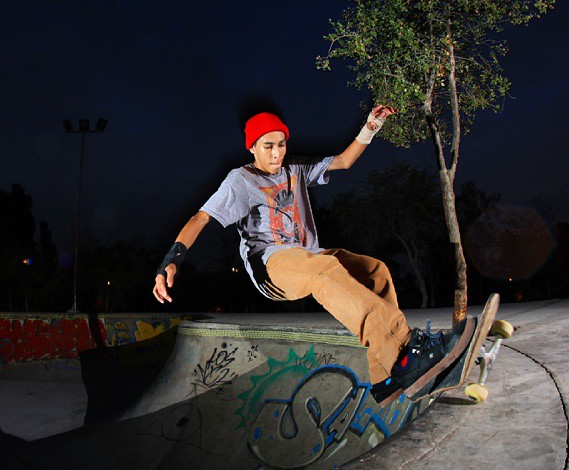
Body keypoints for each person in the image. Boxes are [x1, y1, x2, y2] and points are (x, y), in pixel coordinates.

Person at [153, 106, 476, 406]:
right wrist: (172, 258)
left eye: (281, 144)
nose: (277, 153)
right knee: (325, 269)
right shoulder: (241, 180)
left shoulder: (296, 167)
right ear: (252, 147)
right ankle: (409, 350)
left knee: (374, 271)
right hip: (271, 265)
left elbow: (344, 161)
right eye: (268, 146)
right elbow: (202, 218)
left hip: (308, 254)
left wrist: (370, 127)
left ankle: (387, 376)